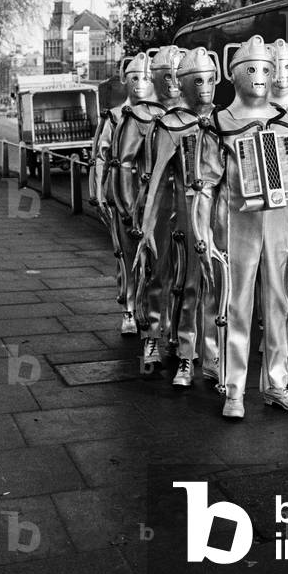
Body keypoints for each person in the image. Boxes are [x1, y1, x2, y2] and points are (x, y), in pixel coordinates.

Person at [192, 35, 288, 419]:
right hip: (236, 225)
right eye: (252, 69)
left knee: (282, 303)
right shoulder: (219, 124)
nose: (262, 76)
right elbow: (204, 185)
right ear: (234, 75)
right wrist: (203, 235)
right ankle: (233, 389)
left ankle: (277, 383)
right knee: (236, 305)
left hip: (279, 225)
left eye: (267, 68)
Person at [136, 47, 220, 386]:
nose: (204, 88)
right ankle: (163, 341)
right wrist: (146, 227)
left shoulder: (221, 120)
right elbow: (155, 178)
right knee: (170, 279)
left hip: (212, 218)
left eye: (210, 80)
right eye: (197, 80)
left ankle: (210, 355)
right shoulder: (169, 125)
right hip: (176, 216)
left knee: (211, 288)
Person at [110, 45, 185, 367]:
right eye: (164, 75)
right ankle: (152, 337)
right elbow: (123, 163)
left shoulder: (199, 114)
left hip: (189, 205)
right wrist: (128, 206)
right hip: (153, 203)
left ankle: (184, 343)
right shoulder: (140, 115)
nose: (171, 83)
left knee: (190, 278)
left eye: (177, 75)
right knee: (157, 273)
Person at [88, 52, 152, 334]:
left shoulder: (159, 115)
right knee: (125, 253)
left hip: (152, 195)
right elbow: (100, 155)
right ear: (125, 82)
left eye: (146, 77)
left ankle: (148, 308)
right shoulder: (114, 116)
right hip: (122, 192)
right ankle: (128, 308)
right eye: (134, 77)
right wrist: (98, 191)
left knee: (154, 255)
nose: (140, 83)